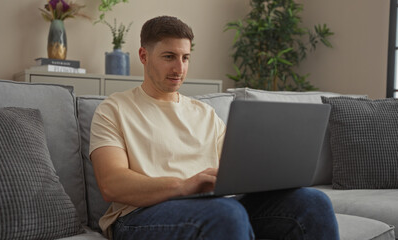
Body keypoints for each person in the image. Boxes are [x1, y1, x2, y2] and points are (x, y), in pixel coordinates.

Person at [89, 15, 340, 240]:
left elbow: (237, 171)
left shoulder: (205, 114)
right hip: (139, 216)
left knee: (312, 202)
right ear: (144, 56)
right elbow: (112, 183)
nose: (180, 68)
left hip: (212, 207)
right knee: (226, 213)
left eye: (185, 58)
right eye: (169, 57)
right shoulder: (114, 109)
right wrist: (183, 185)